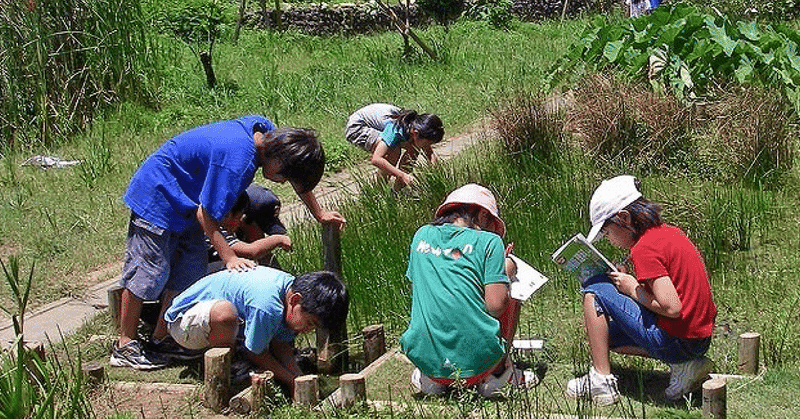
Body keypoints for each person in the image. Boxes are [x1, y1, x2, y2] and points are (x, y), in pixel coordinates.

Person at [110, 115, 346, 370]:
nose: (280, 183)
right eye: (283, 179)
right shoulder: (238, 162)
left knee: (189, 270)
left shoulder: (266, 135)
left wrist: (318, 213)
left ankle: (162, 339)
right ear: (277, 161)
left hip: (187, 201)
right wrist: (230, 258)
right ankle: (125, 345)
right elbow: (206, 214)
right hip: (158, 194)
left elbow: (298, 180)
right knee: (149, 272)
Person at [566, 175, 717, 405]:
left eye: (607, 232)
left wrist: (632, 288)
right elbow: (670, 292)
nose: (609, 239)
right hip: (697, 340)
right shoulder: (668, 233)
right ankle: (684, 365)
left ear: (624, 218)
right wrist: (630, 282)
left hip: (678, 341)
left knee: (594, 288)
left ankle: (601, 382)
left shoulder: (644, 248)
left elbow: (672, 307)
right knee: (608, 337)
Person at [400, 184, 537, 397]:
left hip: (425, 360)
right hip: (480, 365)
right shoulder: (489, 242)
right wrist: (505, 271)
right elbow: (496, 306)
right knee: (511, 293)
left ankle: (433, 378)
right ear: (483, 215)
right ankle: (499, 375)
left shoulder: (421, 235)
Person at [164, 268, 349, 394]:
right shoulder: (268, 307)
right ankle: (230, 369)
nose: (308, 330)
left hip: (209, 321)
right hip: (182, 324)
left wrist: (298, 377)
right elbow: (255, 352)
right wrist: (290, 381)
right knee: (225, 315)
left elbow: (280, 344)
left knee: (230, 318)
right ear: (295, 300)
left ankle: (232, 355)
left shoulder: (289, 290)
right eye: (310, 323)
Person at [345, 103, 444, 189]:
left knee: (414, 149)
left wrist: (436, 174)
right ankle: (379, 193)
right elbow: (376, 159)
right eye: (428, 143)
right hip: (357, 127)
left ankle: (396, 192)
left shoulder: (416, 126)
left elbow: (430, 154)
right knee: (392, 151)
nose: (428, 147)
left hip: (379, 127)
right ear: (416, 133)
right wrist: (401, 175)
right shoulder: (395, 129)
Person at [206, 185, 292, 274]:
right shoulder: (215, 229)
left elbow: (262, 254)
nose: (241, 221)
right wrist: (279, 239)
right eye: (240, 217)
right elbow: (251, 251)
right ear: (227, 214)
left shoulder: (221, 224)